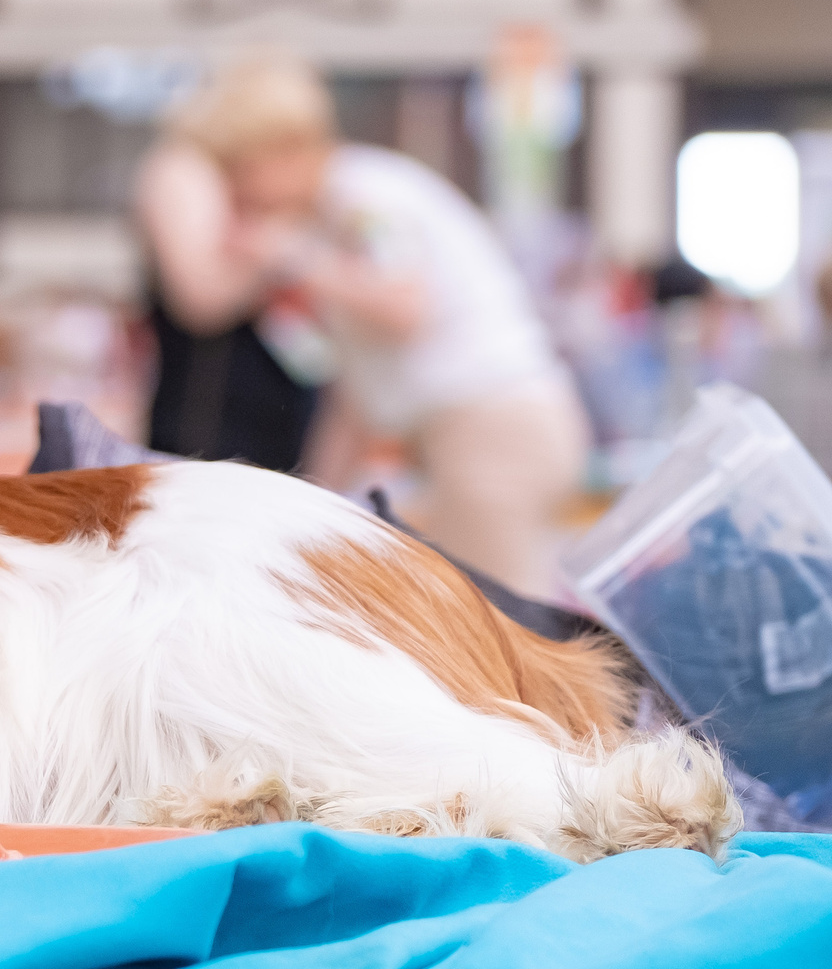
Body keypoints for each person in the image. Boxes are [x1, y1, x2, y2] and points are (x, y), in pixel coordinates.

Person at [171, 52, 586, 597]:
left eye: (240, 172)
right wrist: (315, 497)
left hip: (493, 433)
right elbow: (358, 392)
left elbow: (406, 307)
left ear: (285, 149)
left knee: (499, 620)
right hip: (474, 437)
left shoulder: (363, 199)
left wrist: (293, 258)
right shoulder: (335, 217)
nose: (238, 197)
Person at [133, 137, 321, 474]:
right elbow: (201, 301)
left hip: (281, 425)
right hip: (208, 430)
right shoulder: (188, 175)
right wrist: (265, 254)